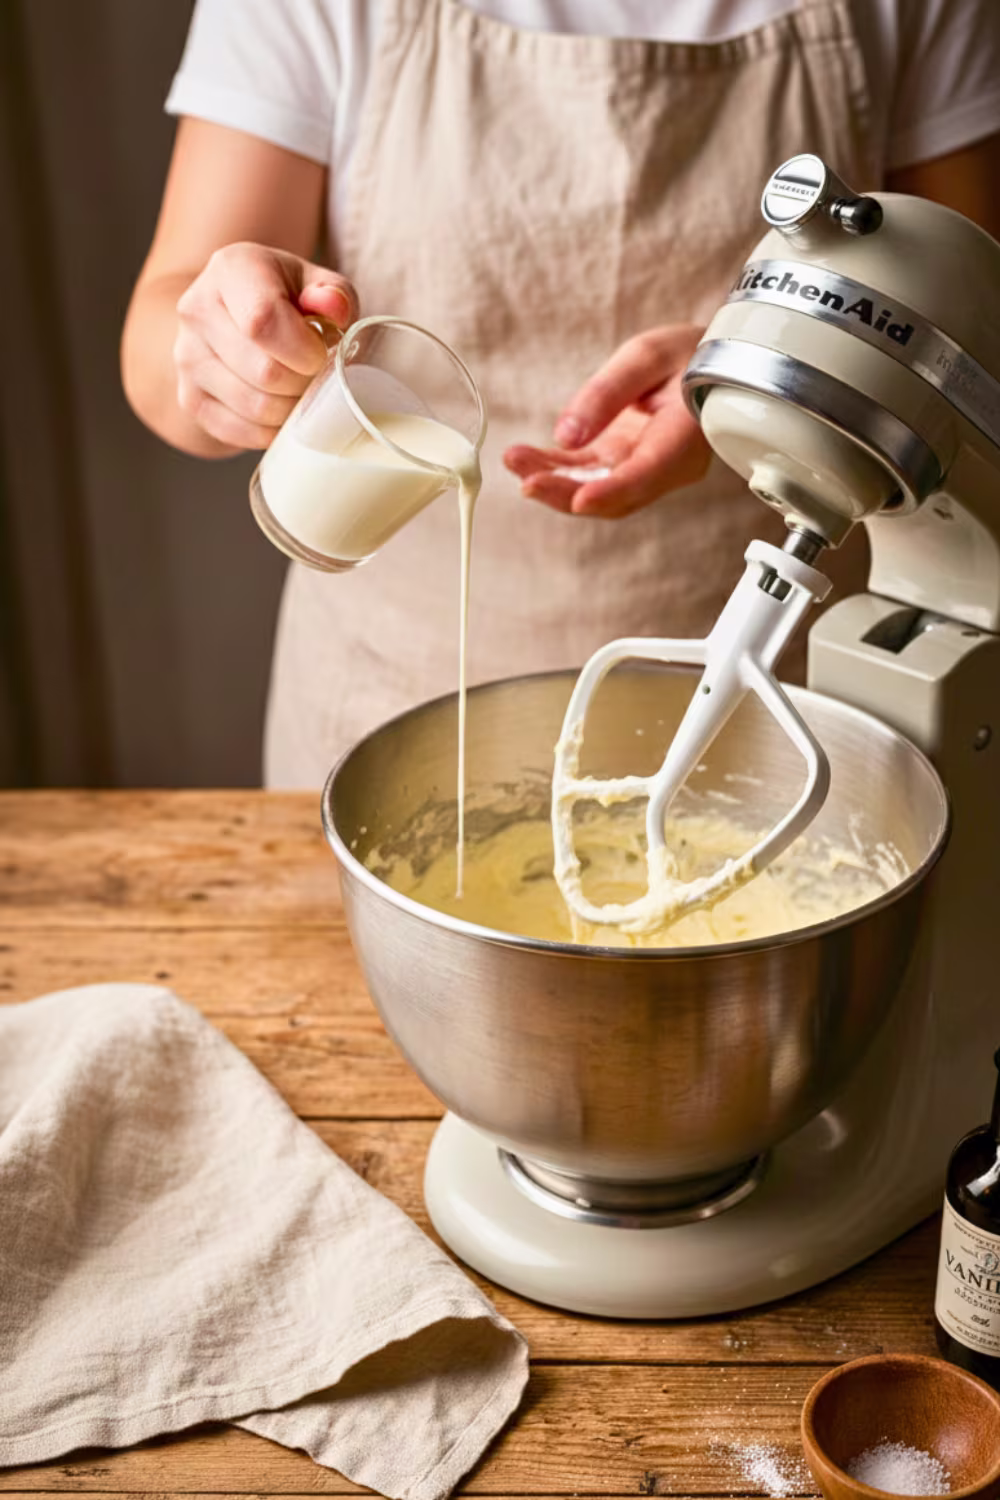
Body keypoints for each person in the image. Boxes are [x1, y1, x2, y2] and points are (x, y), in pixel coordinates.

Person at [122, 0, 1000, 787]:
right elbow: (163, 347)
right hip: (390, 691)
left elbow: (969, 344)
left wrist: (751, 363)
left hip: (782, 703)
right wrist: (231, 352)